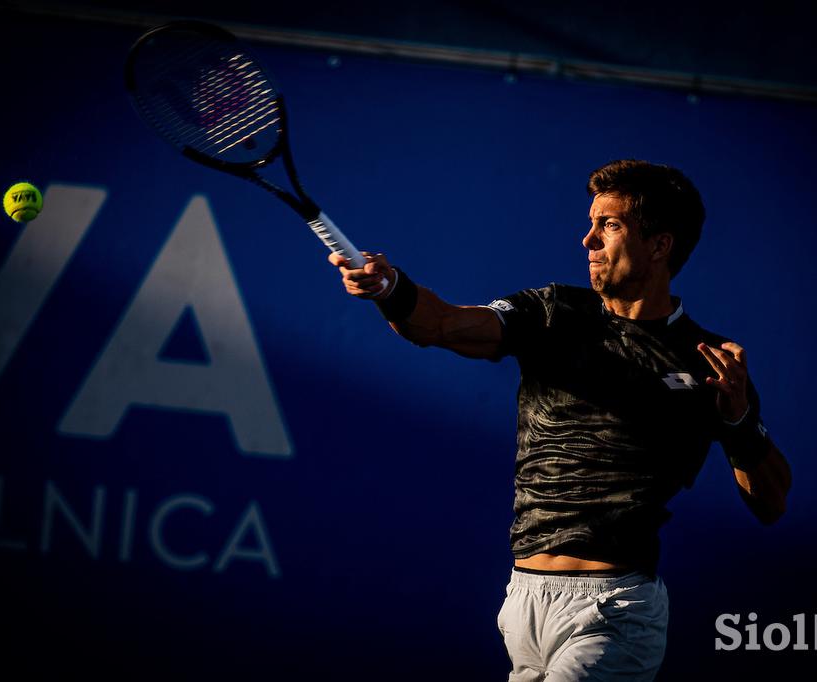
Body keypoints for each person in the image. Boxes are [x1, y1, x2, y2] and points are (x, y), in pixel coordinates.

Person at [329, 159, 791, 681]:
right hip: (523, 603)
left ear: (660, 245)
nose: (587, 239)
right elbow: (442, 325)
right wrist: (392, 289)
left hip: (614, 610)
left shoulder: (706, 362)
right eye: (591, 223)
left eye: (609, 226)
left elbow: (771, 502)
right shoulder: (552, 313)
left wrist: (738, 420)